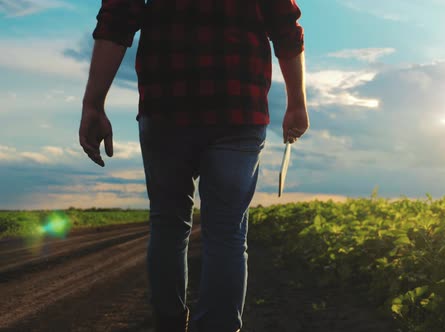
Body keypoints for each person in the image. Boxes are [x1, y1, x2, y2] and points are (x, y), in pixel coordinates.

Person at [78, 0, 309, 331]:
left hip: (167, 103)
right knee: (226, 232)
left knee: (169, 225)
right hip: (239, 107)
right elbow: (285, 23)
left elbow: (118, 16)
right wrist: (297, 103)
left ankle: (170, 323)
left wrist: (94, 103)